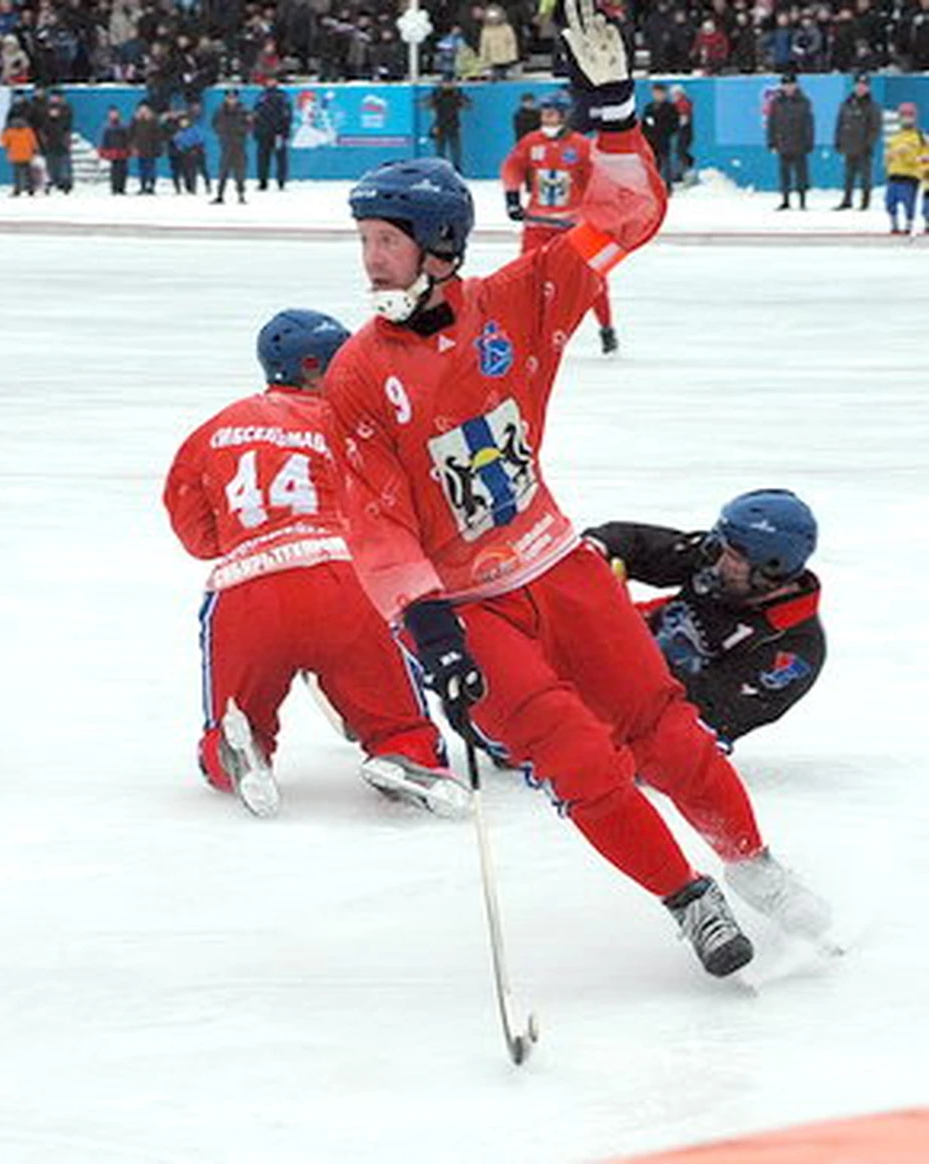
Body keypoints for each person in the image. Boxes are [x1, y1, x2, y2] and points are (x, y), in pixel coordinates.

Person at [325, 2, 831, 981]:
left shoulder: (522, 298)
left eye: (383, 241)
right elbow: (374, 520)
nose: (368, 259)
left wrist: (613, 115)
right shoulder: (355, 375)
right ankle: (689, 902)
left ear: (437, 248)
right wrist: (428, 628)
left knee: (665, 731)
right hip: (471, 607)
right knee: (581, 762)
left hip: (560, 565)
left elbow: (624, 218)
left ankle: (755, 866)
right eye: (364, 241)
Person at [163, 309, 469, 820]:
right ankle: (405, 755)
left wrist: (251, 536)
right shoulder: (353, 422)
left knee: (233, 721)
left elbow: (196, 534)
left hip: (244, 590)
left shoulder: (210, 431)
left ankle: (236, 748)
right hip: (344, 580)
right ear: (312, 367)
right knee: (398, 721)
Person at [584, 490, 825, 750]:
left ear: (771, 570)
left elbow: (704, 709)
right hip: (615, 652)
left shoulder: (793, 653)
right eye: (720, 548)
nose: (717, 561)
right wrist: (592, 554)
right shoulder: (723, 559)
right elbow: (633, 544)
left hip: (648, 733)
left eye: (732, 557)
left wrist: (619, 642)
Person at [501, 91, 618, 354]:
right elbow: (512, 167)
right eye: (544, 114)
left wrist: (596, 215)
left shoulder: (581, 146)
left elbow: (597, 182)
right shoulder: (531, 142)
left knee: (592, 278)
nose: (546, 119)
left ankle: (606, 328)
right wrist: (511, 197)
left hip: (573, 227)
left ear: (565, 117)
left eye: (552, 114)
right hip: (537, 224)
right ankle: (527, 331)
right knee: (527, 278)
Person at [767, 72, 814, 210]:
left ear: (796, 85)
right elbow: (772, 123)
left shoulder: (804, 101)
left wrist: (809, 141)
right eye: (785, 85)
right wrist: (771, 141)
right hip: (783, 142)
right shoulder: (776, 103)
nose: (788, 87)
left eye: (790, 84)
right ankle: (785, 199)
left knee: (801, 173)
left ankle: (802, 200)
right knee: (784, 173)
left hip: (799, 142)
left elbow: (809, 123)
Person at [834, 73, 882, 210]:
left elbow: (875, 128)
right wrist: (838, 141)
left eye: (864, 85)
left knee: (865, 177)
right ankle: (847, 200)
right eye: (859, 85)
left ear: (868, 88)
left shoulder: (872, 106)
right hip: (849, 145)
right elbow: (840, 124)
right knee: (848, 175)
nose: (861, 88)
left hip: (864, 147)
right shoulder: (846, 104)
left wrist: (869, 143)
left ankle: (865, 202)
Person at [884, 102, 928, 235]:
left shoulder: (919, 137)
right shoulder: (895, 137)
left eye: (910, 116)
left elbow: (924, 157)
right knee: (890, 202)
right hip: (894, 175)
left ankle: (909, 224)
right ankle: (894, 224)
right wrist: (889, 160)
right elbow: (889, 155)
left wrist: (910, 157)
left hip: (910, 176)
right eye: (903, 116)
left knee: (908, 202)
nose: (906, 119)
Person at [211, 87, 251, 205]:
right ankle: (220, 195)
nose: (231, 100)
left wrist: (240, 132)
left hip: (239, 144)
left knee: (240, 171)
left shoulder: (244, 110)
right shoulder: (220, 110)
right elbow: (215, 123)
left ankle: (241, 195)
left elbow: (250, 125)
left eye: (233, 98)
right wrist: (222, 132)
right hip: (226, 143)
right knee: (223, 170)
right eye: (229, 98)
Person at [253, 75, 291, 192]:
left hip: (278, 132)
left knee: (281, 158)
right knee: (263, 158)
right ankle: (262, 181)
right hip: (264, 133)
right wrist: (256, 130)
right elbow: (256, 114)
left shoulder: (283, 95)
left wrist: (284, 131)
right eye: (268, 80)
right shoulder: (261, 96)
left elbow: (288, 114)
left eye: (273, 80)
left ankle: (281, 182)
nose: (270, 82)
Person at [425, 77, 470, 173]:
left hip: (453, 125)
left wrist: (459, 96)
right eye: (446, 83)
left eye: (451, 83)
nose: (448, 85)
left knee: (456, 151)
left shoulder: (457, 93)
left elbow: (467, 105)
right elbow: (427, 105)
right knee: (440, 151)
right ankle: (440, 171)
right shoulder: (436, 93)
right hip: (440, 125)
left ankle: (457, 170)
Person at [641, 81, 679, 193]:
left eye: (660, 93)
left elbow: (674, 125)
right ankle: (652, 187)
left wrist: (660, 127)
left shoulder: (670, 108)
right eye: (655, 92)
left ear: (665, 94)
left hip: (663, 140)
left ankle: (667, 187)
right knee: (652, 165)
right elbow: (643, 124)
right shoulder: (649, 107)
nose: (657, 95)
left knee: (665, 163)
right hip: (651, 141)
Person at [0, 108, 37, 195]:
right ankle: (30, 189)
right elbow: (33, 142)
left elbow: (4, 143)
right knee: (28, 173)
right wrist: (34, 150)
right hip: (27, 155)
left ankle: (17, 189)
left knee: (17, 174)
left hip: (15, 155)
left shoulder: (9, 131)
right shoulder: (28, 130)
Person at [129, 99, 161, 194]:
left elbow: (158, 135)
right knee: (142, 168)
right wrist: (133, 146)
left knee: (151, 167)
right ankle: (142, 186)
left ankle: (151, 186)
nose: (143, 111)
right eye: (141, 109)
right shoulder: (135, 120)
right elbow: (131, 133)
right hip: (140, 149)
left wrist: (157, 148)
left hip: (151, 149)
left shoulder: (153, 120)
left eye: (145, 109)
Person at [99, 106, 131, 195]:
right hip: (112, 152)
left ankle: (122, 188)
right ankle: (115, 188)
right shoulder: (107, 127)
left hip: (123, 151)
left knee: (123, 170)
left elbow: (128, 138)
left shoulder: (124, 126)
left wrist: (129, 149)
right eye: (111, 114)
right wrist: (103, 150)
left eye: (115, 113)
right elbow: (104, 140)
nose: (113, 115)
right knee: (114, 170)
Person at [670, 83, 694, 184]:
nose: (674, 97)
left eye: (676, 94)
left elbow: (683, 120)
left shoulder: (683, 103)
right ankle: (680, 172)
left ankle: (682, 172)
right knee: (679, 151)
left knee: (680, 151)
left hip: (684, 132)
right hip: (683, 131)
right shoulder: (678, 104)